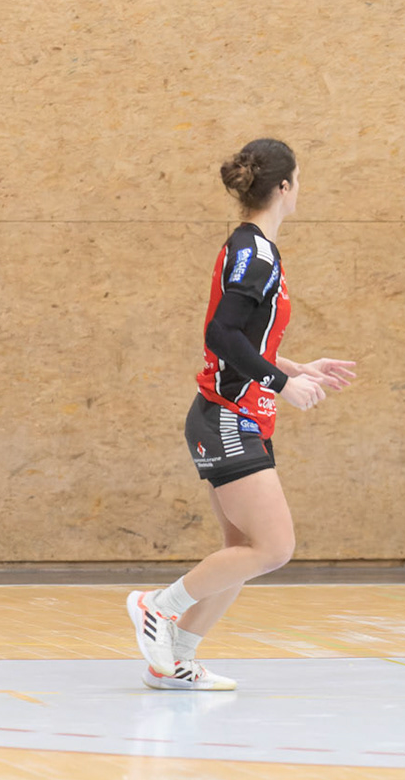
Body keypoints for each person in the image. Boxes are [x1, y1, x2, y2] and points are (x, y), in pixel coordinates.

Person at [127, 140, 356, 690]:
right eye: (299, 179)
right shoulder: (256, 253)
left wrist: (296, 366)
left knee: (242, 550)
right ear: (284, 186)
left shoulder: (253, 248)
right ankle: (158, 607)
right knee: (274, 548)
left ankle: (175, 659)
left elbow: (244, 342)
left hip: (236, 414)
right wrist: (283, 384)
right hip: (228, 416)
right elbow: (221, 334)